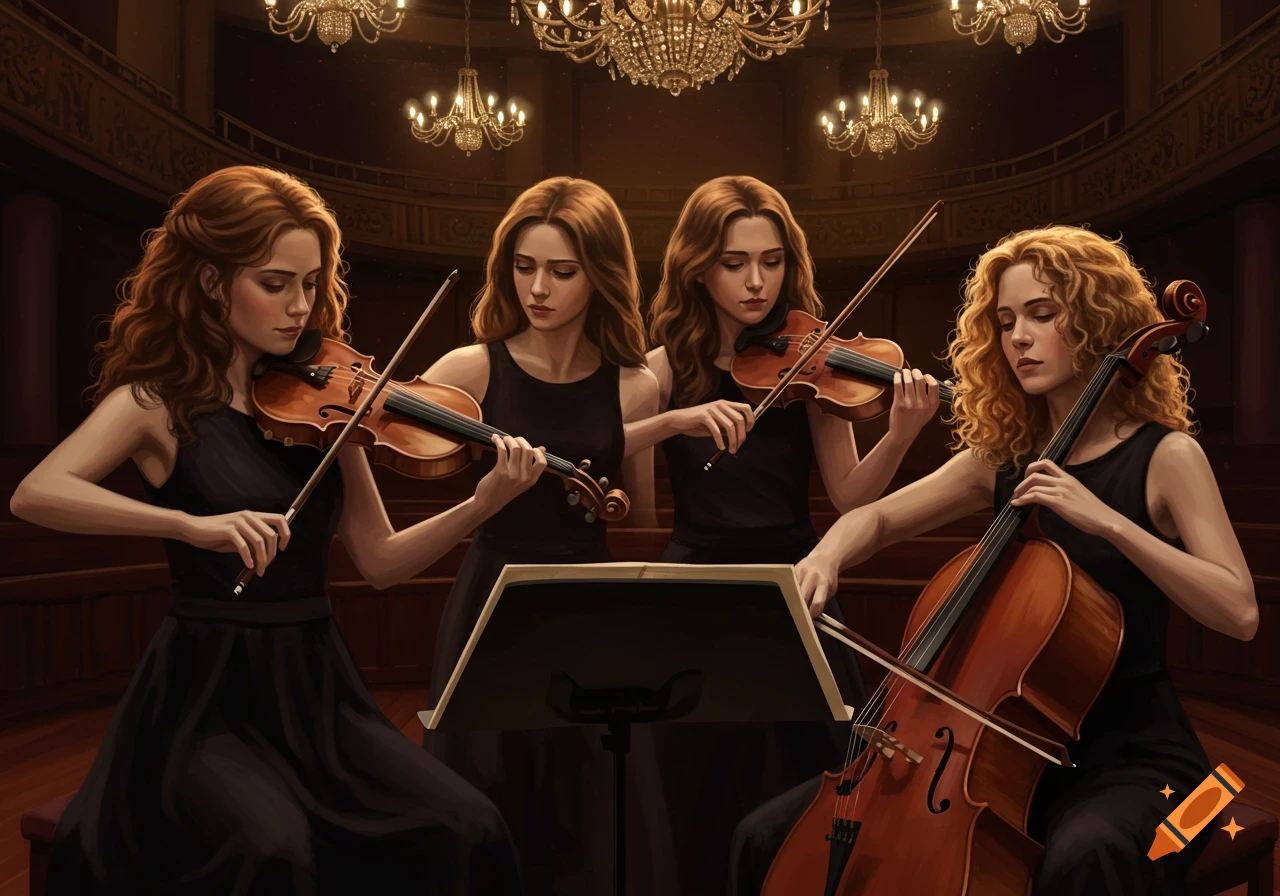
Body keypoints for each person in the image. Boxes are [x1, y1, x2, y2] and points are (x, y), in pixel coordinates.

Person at [9, 165, 540, 895]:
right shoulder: (157, 402)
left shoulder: (330, 405)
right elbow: (36, 494)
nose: (300, 307)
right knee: (274, 850)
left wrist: (483, 502)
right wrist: (190, 525)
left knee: (467, 824)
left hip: (318, 687)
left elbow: (380, 561)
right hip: (204, 700)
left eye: (312, 283)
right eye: (274, 283)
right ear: (208, 281)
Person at [727, 224, 1259, 896]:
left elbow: (1239, 612)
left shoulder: (1165, 457)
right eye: (1006, 321)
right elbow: (878, 515)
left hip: (1132, 761)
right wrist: (826, 556)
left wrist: (1109, 522)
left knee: (1083, 859)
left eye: (1042, 314)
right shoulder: (1003, 460)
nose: (1018, 338)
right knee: (761, 836)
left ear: (1098, 319)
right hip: (998, 756)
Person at [626, 175, 943, 895]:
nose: (756, 281)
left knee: (818, 765)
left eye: (771, 261)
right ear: (699, 267)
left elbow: (851, 494)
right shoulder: (664, 366)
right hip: (695, 584)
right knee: (697, 775)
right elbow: (599, 443)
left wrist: (898, 433)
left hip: (797, 579)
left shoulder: (815, 359)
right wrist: (672, 420)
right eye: (736, 263)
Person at [418, 176, 677, 896]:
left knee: (596, 797)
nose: (538, 288)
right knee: (489, 786)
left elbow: (642, 516)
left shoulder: (634, 383)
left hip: (590, 602)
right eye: (524, 268)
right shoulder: (469, 370)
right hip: (491, 600)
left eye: (562, 272)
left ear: (600, 275)